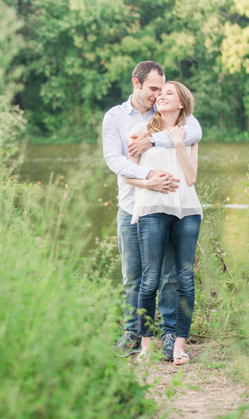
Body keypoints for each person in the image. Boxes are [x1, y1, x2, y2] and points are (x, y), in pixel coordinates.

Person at [102, 61, 202, 359]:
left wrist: (154, 139)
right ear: (137, 84)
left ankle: (170, 333)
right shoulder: (117, 118)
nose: (158, 94)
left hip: (172, 206)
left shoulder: (183, 119)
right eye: (153, 89)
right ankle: (133, 333)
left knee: (171, 275)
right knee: (135, 275)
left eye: (163, 89)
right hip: (134, 203)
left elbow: (191, 135)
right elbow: (115, 161)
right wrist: (149, 179)